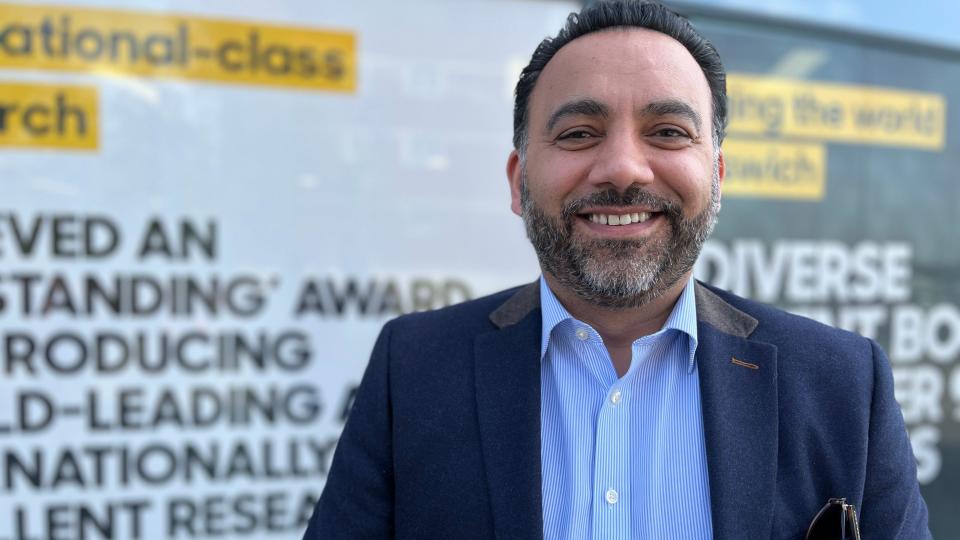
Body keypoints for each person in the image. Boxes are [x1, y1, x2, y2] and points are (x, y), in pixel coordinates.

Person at [304, 1, 931, 538]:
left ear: (716, 179)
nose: (624, 168)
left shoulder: (844, 383)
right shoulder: (412, 369)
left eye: (666, 131)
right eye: (578, 133)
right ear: (520, 183)